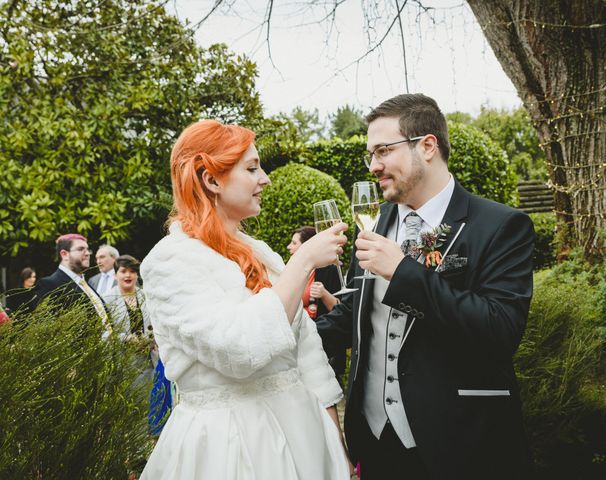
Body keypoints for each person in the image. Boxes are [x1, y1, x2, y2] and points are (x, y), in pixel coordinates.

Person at [316, 93, 535, 479]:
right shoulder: (376, 221)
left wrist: (403, 273)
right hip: (375, 440)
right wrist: (290, 338)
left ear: (428, 145)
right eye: (370, 154)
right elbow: (359, 310)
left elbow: (500, 330)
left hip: (463, 441)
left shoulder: (500, 226)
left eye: (383, 150)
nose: (373, 166)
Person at [139, 119, 351, 479]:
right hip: (231, 445)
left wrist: (336, 446)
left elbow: (308, 356)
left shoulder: (261, 252)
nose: (265, 178)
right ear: (211, 179)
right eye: (252, 168)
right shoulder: (170, 261)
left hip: (306, 437)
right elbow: (239, 351)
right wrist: (303, 262)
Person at [103, 255, 170, 437]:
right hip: (125, 361)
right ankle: (132, 450)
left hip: (149, 359)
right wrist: (127, 339)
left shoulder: (143, 294)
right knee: (129, 406)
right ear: (116, 274)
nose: (128, 275)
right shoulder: (108, 299)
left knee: (148, 403)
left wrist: (152, 338)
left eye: (132, 271)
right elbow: (105, 333)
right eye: (123, 271)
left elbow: (157, 322)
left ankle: (145, 446)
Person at [287, 226, 346, 382]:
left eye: (293, 243)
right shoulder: (294, 269)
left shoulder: (329, 270)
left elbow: (341, 310)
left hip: (323, 345)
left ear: (306, 246)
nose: (289, 247)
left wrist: (324, 293)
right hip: (299, 342)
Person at [29, 234, 109, 327]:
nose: (87, 253)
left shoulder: (85, 285)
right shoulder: (49, 285)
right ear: (64, 254)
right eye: (80, 249)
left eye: (87, 249)